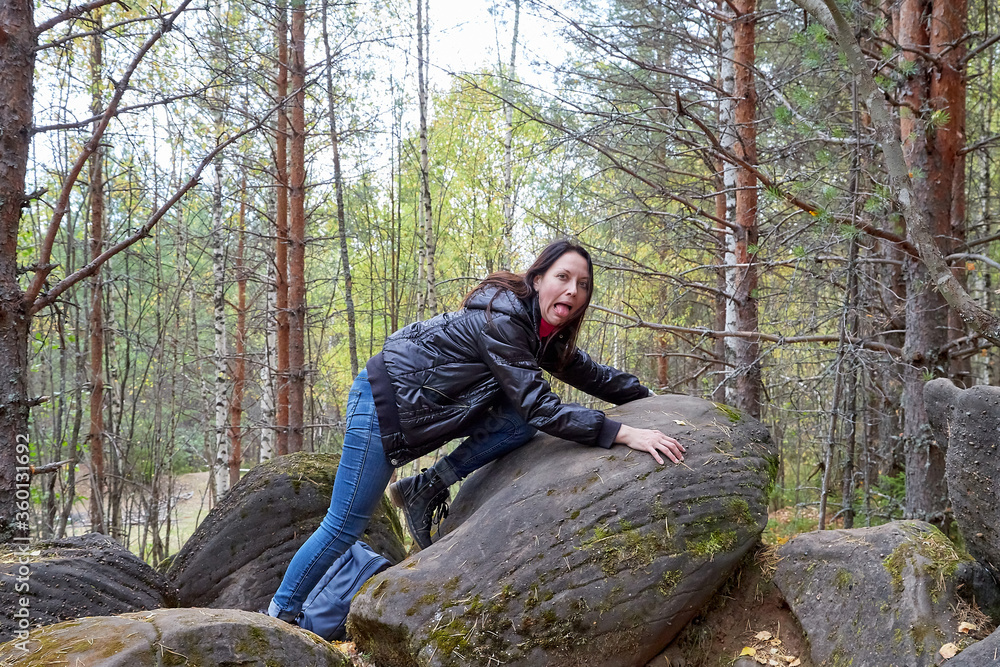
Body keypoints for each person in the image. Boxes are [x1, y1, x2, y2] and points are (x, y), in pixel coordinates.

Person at [267, 240, 685, 622]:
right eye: (563, 277)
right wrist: (623, 433)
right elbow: (542, 406)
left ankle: (427, 486)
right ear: (537, 279)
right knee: (344, 525)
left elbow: (594, 376)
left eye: (583, 284)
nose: (573, 290)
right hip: (384, 403)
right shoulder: (503, 321)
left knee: (518, 422)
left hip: (424, 411)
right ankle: (278, 616)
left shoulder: (540, 336)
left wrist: (655, 400)